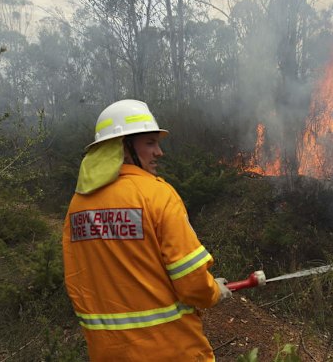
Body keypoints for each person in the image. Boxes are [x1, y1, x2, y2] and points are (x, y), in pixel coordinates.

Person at [62, 99, 232, 361]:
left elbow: (77, 278)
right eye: (150, 143)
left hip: (107, 354)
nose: (159, 152)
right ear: (123, 146)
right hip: (170, 350)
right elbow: (191, 281)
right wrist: (213, 291)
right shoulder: (156, 194)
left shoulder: (78, 205)